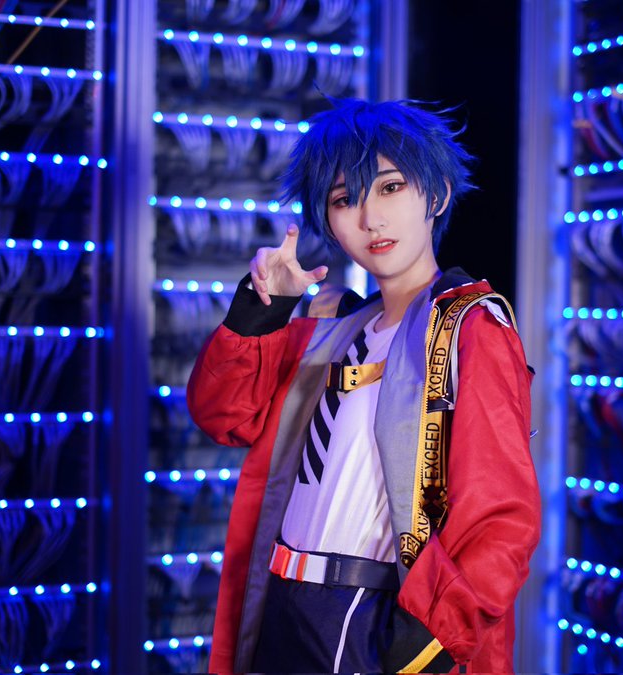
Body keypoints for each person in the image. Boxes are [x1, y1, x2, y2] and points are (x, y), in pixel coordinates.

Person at [187, 98, 540, 673]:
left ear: (436, 195)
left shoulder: (470, 328)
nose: (371, 217)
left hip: (375, 616)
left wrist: (426, 639)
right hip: (281, 603)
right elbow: (224, 415)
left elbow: (501, 516)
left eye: (391, 187)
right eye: (344, 199)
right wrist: (264, 310)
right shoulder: (327, 329)